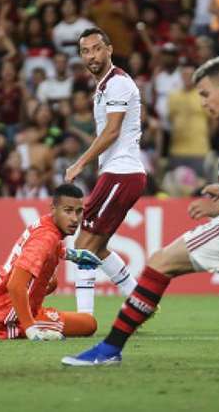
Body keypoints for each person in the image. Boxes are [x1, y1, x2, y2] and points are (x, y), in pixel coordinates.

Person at [61, 56, 219, 366]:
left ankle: (108, 349)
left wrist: (218, 205)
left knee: (159, 264)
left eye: (206, 94)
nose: (203, 103)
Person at [63, 27, 145, 316]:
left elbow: (112, 132)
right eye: (85, 51)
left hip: (121, 172)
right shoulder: (104, 86)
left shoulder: (118, 84)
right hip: (119, 174)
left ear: (109, 49)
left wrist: (80, 163)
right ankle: (138, 302)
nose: (92, 55)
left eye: (97, 48)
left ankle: (84, 318)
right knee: (96, 247)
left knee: (83, 244)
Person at [0, 184, 101, 340]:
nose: (75, 219)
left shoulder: (46, 224)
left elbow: (51, 248)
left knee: (51, 282)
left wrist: (73, 255)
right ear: (53, 209)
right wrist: (30, 329)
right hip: (5, 312)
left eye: (79, 211)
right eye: (68, 211)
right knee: (89, 324)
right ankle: (3, 325)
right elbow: (15, 285)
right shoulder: (46, 239)